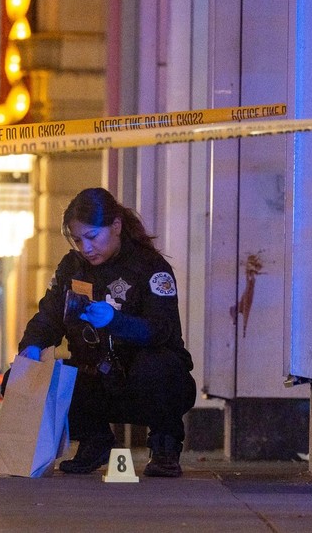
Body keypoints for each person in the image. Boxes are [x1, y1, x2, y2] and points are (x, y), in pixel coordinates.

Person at [16, 187, 196, 477]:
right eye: (77, 240)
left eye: (92, 237)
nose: (85, 248)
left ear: (115, 226)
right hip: (96, 378)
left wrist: (116, 321)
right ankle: (94, 439)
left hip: (142, 382)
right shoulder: (72, 268)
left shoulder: (149, 267)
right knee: (24, 376)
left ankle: (165, 443)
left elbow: (161, 330)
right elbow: (49, 317)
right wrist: (33, 346)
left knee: (159, 365)